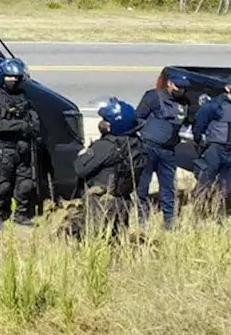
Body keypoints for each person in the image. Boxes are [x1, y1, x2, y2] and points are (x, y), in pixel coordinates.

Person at [63, 98, 144, 241]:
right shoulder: (136, 144)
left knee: (92, 238)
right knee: (116, 238)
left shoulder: (105, 146)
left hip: (101, 202)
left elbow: (80, 168)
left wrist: (83, 155)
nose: (101, 123)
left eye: (105, 120)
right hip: (123, 201)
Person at [0, 58, 42, 230]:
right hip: (3, 150)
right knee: (1, 184)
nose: (13, 80)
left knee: (25, 183)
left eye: (16, 77)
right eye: (9, 77)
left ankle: (20, 214)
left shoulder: (21, 95)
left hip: (22, 148)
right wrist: (22, 126)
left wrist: (33, 128)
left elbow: (31, 115)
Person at [135, 71, 191, 227]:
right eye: (178, 86)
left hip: (168, 152)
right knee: (142, 187)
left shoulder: (184, 103)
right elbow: (137, 117)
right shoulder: (153, 97)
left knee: (168, 187)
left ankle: (169, 221)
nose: (181, 90)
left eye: (184, 88)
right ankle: (142, 221)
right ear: (169, 83)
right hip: (148, 148)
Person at [191, 81, 231, 217]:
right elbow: (198, 125)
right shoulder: (214, 105)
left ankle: (218, 215)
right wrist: (200, 143)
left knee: (226, 186)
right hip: (215, 148)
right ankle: (198, 215)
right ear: (227, 88)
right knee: (205, 181)